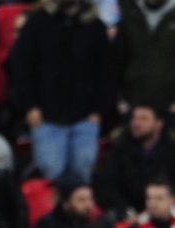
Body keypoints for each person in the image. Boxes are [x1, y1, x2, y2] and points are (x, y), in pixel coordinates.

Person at [10, 0, 109, 184]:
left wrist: (98, 110)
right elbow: (21, 66)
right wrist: (29, 105)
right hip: (46, 117)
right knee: (51, 176)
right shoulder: (37, 22)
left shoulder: (94, 25)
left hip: (85, 117)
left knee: (83, 174)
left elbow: (105, 71)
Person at [93, 103, 175, 220]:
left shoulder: (171, 149)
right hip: (126, 213)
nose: (136, 123)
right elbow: (106, 183)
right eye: (134, 118)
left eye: (143, 119)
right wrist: (125, 210)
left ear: (159, 124)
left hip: (167, 212)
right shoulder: (119, 147)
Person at [111, 0, 175, 117]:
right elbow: (115, 62)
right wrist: (119, 98)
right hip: (131, 105)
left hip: (168, 107)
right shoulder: (129, 12)